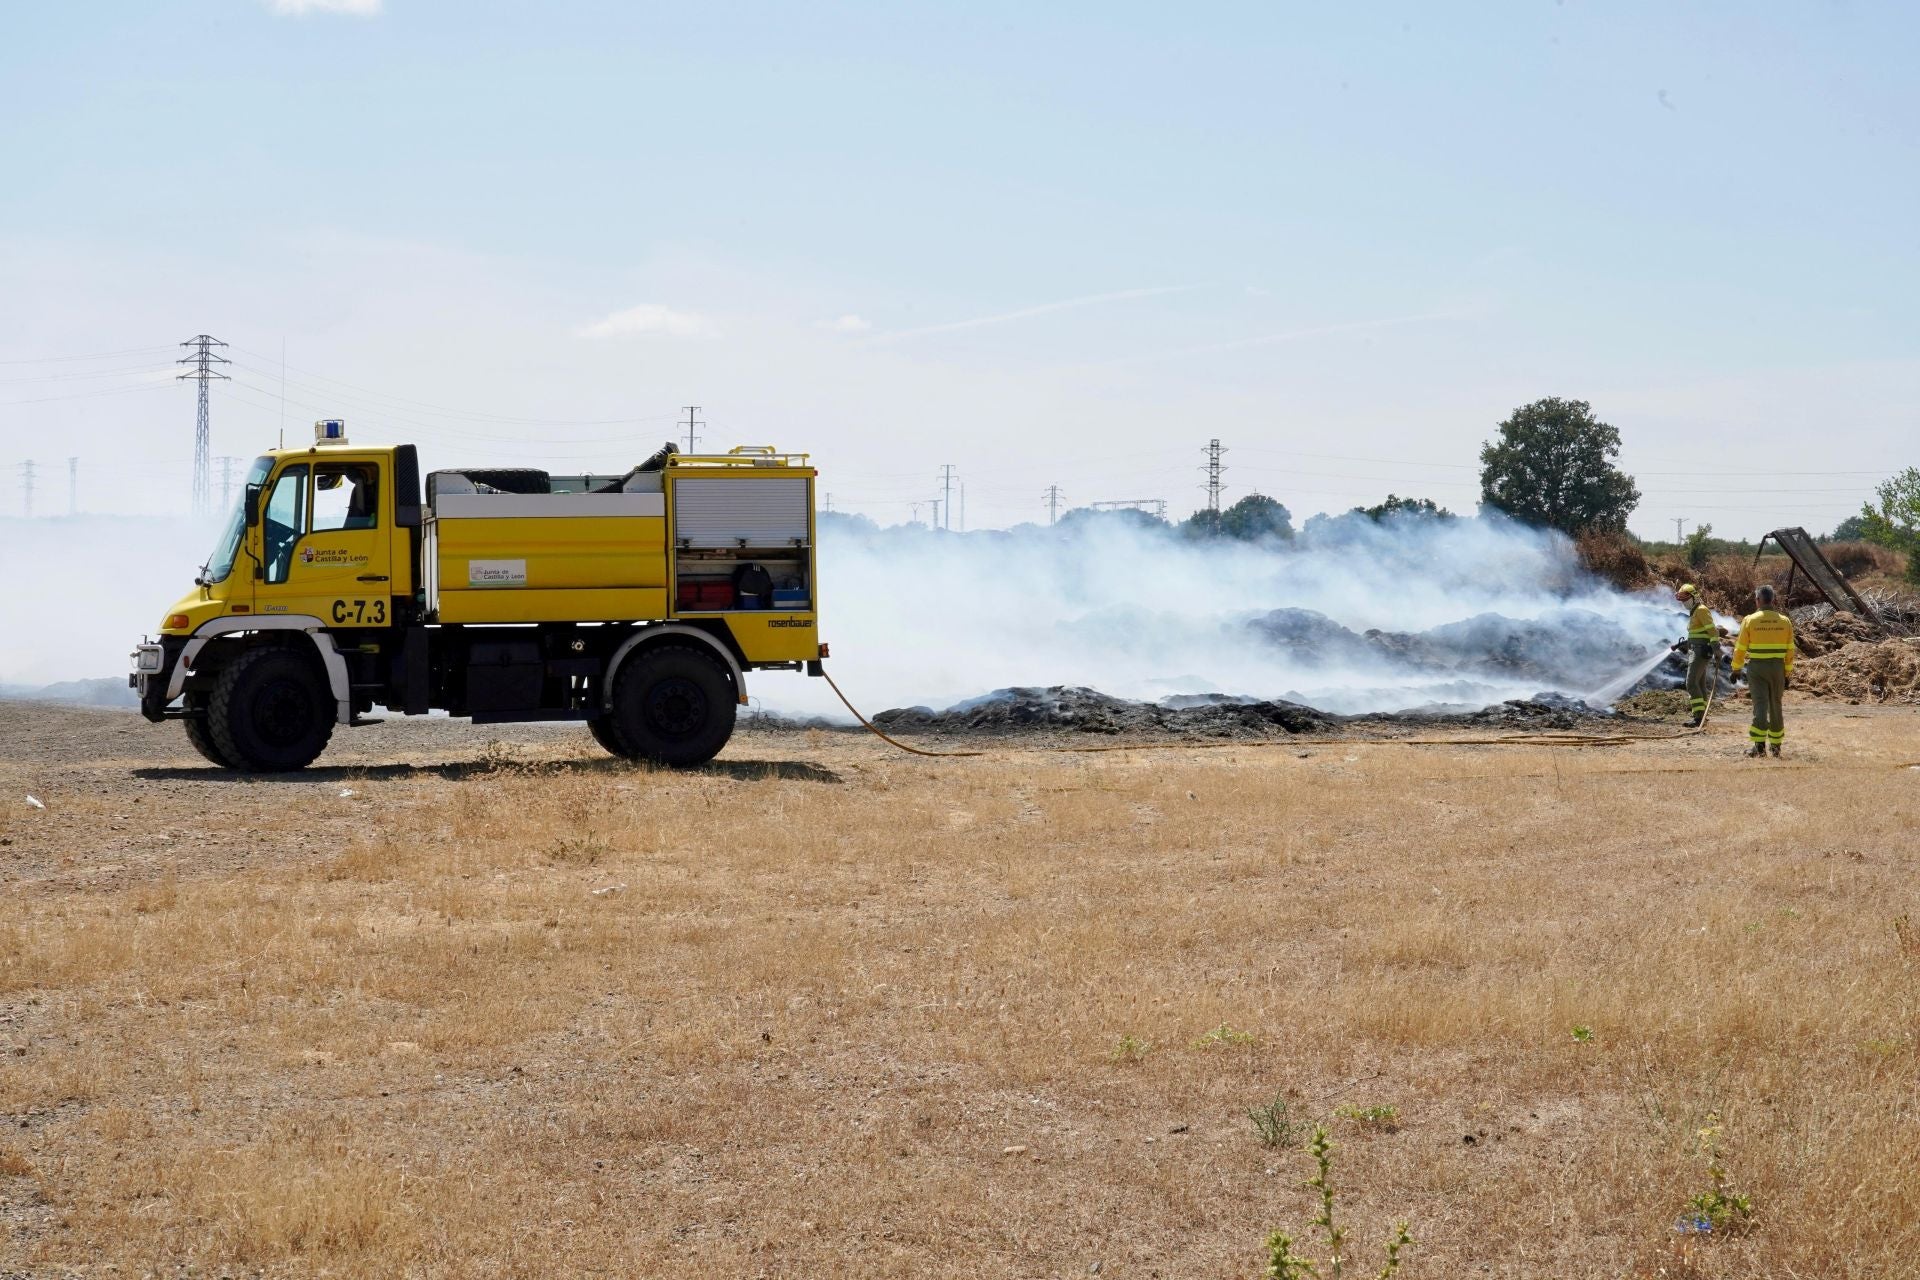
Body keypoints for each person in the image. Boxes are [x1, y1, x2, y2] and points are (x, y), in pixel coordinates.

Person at [1731, 584, 1795, 758]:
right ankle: (1776, 747)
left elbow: (1740, 648)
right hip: (1777, 668)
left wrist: (1736, 669)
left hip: (1757, 668)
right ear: (1773, 600)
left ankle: (1759, 748)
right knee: (1776, 705)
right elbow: (1790, 650)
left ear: (1758, 600)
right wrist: (1787, 673)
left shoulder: (1750, 620)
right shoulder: (1784, 621)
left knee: (1760, 705)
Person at [1669, 583, 1720, 727]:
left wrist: (1716, 648)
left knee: (1691, 683)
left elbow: (1713, 631)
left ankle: (1698, 718)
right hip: (1695, 649)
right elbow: (1697, 634)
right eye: (1682, 600)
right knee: (1700, 685)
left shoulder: (1702, 610)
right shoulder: (1694, 611)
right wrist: (1681, 645)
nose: (1684, 603)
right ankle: (1702, 716)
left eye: (1685, 599)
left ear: (1694, 596)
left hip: (1700, 652)